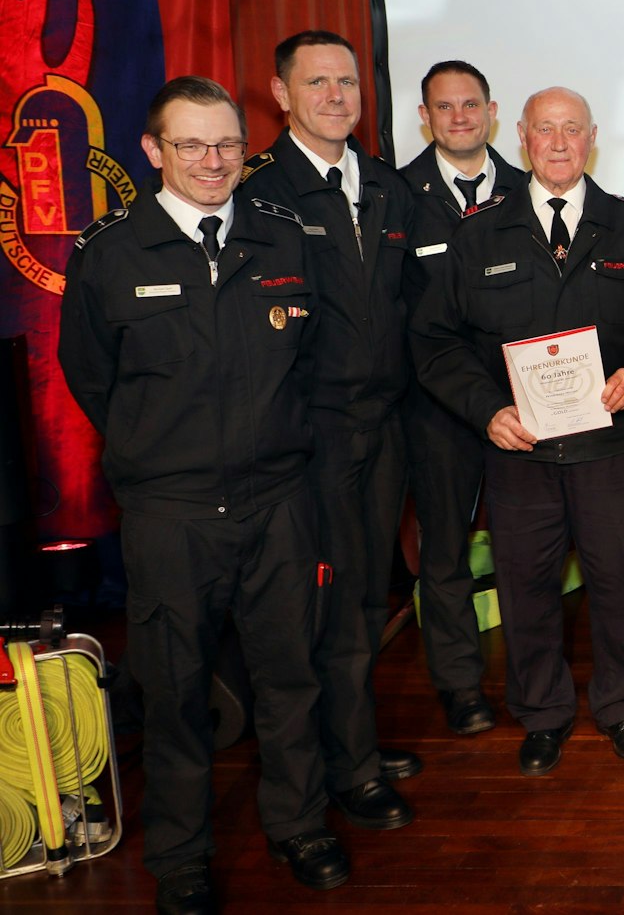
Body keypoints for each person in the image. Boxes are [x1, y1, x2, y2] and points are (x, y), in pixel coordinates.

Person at [59, 77, 350, 909]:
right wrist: (165, 453)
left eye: (226, 143)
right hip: (170, 514)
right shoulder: (110, 251)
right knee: (175, 691)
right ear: (153, 152)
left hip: (279, 502)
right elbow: (92, 378)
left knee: (291, 675)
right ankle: (181, 855)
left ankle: (299, 823)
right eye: (191, 145)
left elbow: (315, 361)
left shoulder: (284, 237)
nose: (214, 161)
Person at [410, 86, 624, 776]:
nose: (558, 143)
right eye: (545, 130)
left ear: (592, 138)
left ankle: (621, 706)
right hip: (518, 449)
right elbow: (434, 340)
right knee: (527, 587)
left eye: (572, 130)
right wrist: (486, 408)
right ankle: (544, 713)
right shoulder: (478, 233)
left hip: (607, 447)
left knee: (616, 580)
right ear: (521, 136)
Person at [241, 30, 422, 832]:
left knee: (362, 597)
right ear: (281, 94)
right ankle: (338, 768)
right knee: (313, 607)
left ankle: (354, 743)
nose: (336, 96)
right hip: (304, 436)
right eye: (316, 83)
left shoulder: (383, 186)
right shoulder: (257, 196)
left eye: (347, 81)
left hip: (382, 427)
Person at [398, 59, 527, 736]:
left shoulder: (528, 189)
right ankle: (460, 685)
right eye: (443, 108)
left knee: (523, 548)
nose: (458, 118)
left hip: (521, 408)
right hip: (439, 408)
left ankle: (535, 684)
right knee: (444, 552)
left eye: (470, 105)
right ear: (424, 117)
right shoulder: (396, 196)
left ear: (491, 111)